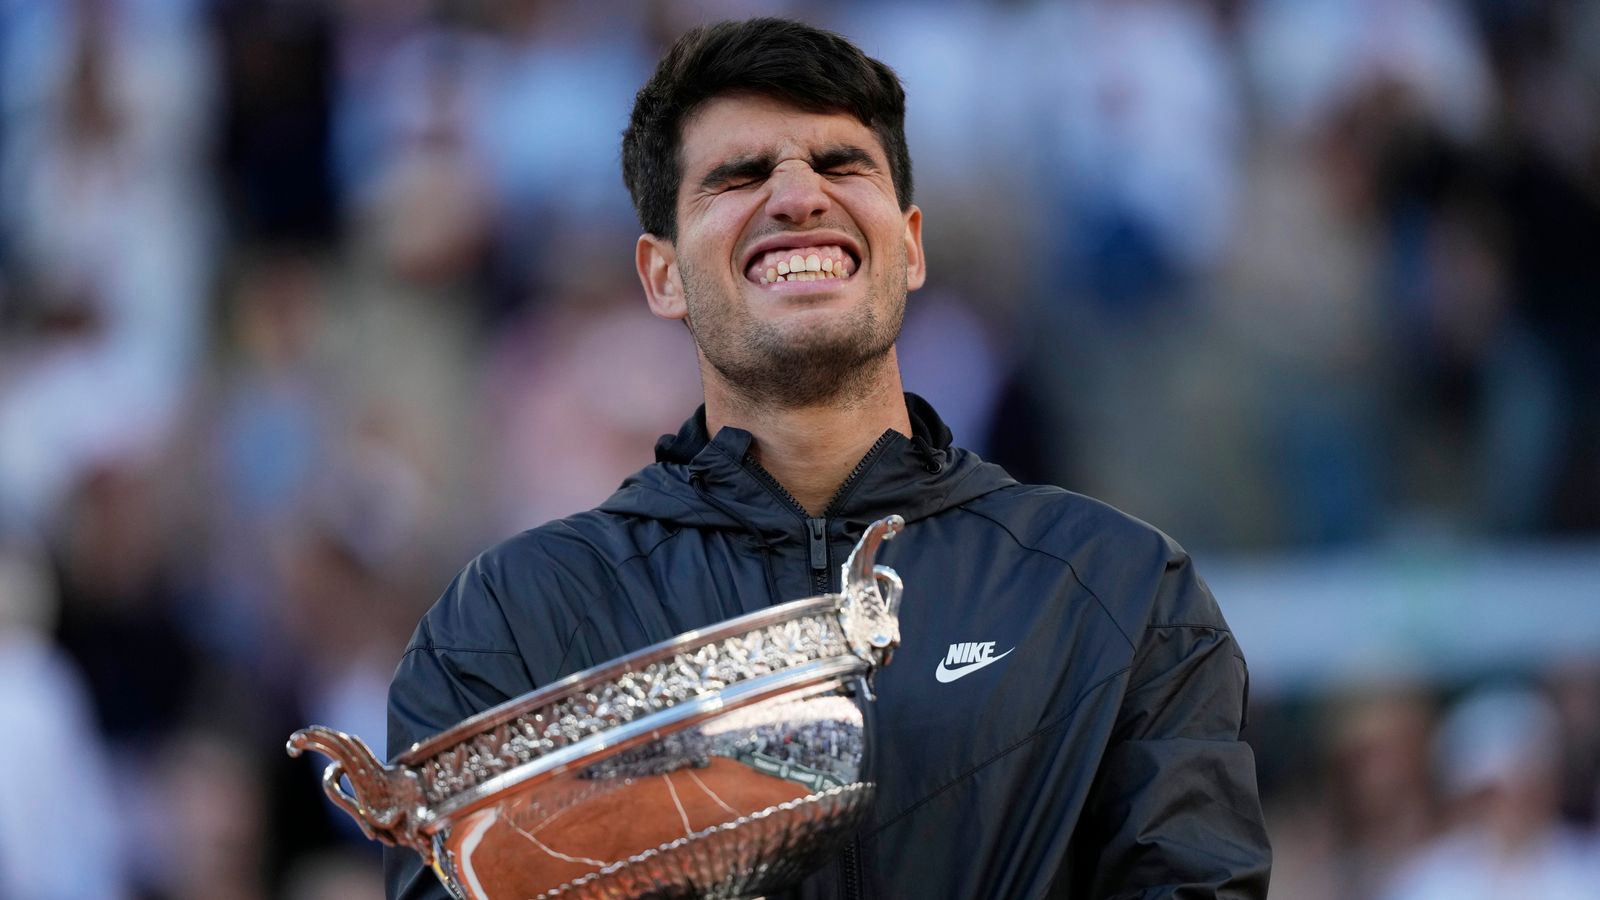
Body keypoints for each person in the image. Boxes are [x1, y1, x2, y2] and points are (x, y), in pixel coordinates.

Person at [385, 18, 1271, 899]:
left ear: (911, 244)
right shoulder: (514, 621)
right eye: (739, 175)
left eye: (843, 165)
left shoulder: (1118, 591)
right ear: (661, 276)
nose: (799, 196)